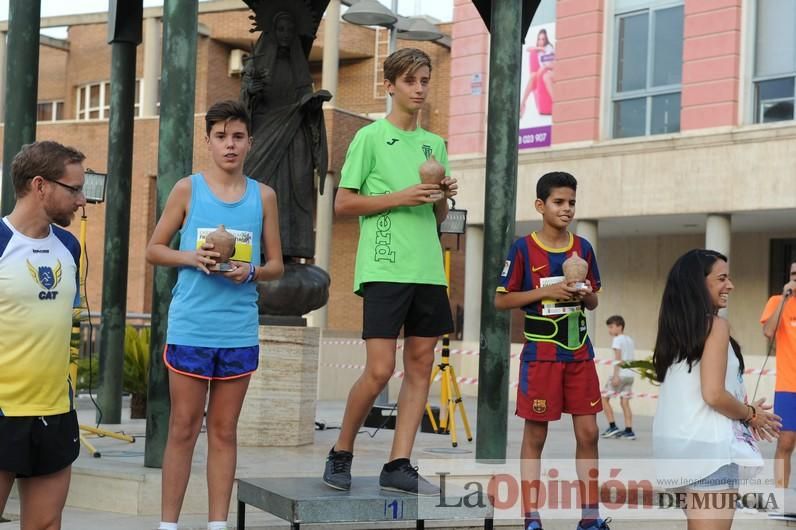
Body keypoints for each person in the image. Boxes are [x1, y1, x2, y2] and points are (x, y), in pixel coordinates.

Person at [322, 48, 457, 496]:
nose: (419, 89)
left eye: (424, 80)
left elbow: (437, 216)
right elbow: (343, 203)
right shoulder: (370, 138)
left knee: (420, 368)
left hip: (428, 269)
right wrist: (400, 195)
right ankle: (341, 451)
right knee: (379, 370)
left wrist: (441, 193)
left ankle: (398, 463)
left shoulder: (434, 144)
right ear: (390, 85)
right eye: (411, 81)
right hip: (384, 265)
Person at [146, 100, 283, 530]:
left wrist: (253, 271)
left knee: (224, 431)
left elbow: (277, 265)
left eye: (237, 137)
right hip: (191, 327)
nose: (230, 145)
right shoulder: (187, 189)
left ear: (250, 142)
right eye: (221, 136)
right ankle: (168, 525)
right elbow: (154, 249)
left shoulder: (265, 196)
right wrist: (191, 257)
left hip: (238, 330)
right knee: (183, 428)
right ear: (207, 142)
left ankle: (217, 524)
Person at [494, 171, 609, 530]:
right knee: (536, 435)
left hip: (579, 354)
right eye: (559, 202)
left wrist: (582, 291)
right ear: (540, 205)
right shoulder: (523, 248)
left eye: (572, 202)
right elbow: (502, 300)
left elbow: (592, 302)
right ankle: (531, 516)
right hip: (541, 356)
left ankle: (589, 517)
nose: (567, 209)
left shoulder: (584, 247)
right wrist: (549, 291)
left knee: (589, 433)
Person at [652, 249, 781, 529]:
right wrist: (750, 414)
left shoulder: (676, 330)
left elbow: (699, 392)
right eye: (722, 278)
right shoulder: (715, 326)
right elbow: (713, 394)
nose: (730, 286)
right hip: (710, 452)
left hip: (678, 449)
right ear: (698, 283)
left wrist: (743, 409)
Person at [0, 141, 87, 529]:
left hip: (55, 410)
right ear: (41, 186)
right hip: (3, 413)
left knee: (46, 526)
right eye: (74, 189)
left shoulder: (69, 246)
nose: (82, 200)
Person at [241, 9, 331, 260]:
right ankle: (257, 245)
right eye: (281, 29)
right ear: (272, 30)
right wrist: (251, 91)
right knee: (259, 184)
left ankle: (291, 247)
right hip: (263, 131)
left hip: (294, 132)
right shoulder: (257, 65)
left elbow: (304, 94)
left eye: (290, 31)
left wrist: (312, 105)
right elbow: (243, 106)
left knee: (297, 184)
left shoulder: (297, 64)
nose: (285, 35)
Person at [760, 260, 796, 489]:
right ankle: (782, 498)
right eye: (794, 273)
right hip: (788, 386)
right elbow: (768, 331)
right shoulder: (776, 301)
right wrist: (784, 299)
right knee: (785, 442)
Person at [600, 315, 636, 440]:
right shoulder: (629, 340)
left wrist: (616, 376)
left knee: (604, 398)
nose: (610, 330)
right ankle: (629, 430)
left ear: (620, 327)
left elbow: (618, 358)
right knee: (625, 402)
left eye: (611, 327)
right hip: (630, 375)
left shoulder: (617, 340)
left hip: (620, 374)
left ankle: (612, 426)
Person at [520, 28, 554, 118]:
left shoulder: (549, 48)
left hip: (552, 72)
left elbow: (552, 65)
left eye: (543, 39)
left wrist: (543, 68)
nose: (541, 41)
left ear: (546, 39)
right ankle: (522, 104)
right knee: (532, 76)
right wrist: (539, 48)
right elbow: (528, 49)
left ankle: (556, 102)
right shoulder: (539, 50)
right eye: (539, 39)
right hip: (542, 73)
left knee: (545, 76)